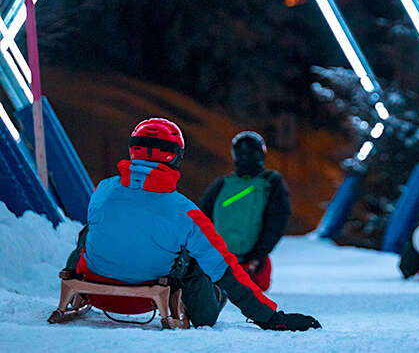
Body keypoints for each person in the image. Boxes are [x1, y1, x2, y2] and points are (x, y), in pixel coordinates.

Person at [64, 118, 320, 331]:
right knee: (195, 255)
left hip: (96, 293)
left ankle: (72, 287)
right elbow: (226, 270)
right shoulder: (185, 211)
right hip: (144, 301)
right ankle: (208, 303)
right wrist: (271, 317)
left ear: (133, 150)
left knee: (90, 231)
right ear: (175, 157)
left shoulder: (102, 190)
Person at [198, 131, 290, 291]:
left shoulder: (220, 184)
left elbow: (200, 221)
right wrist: (257, 257)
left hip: (219, 261)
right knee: (260, 285)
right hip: (252, 264)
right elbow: (276, 222)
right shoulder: (271, 181)